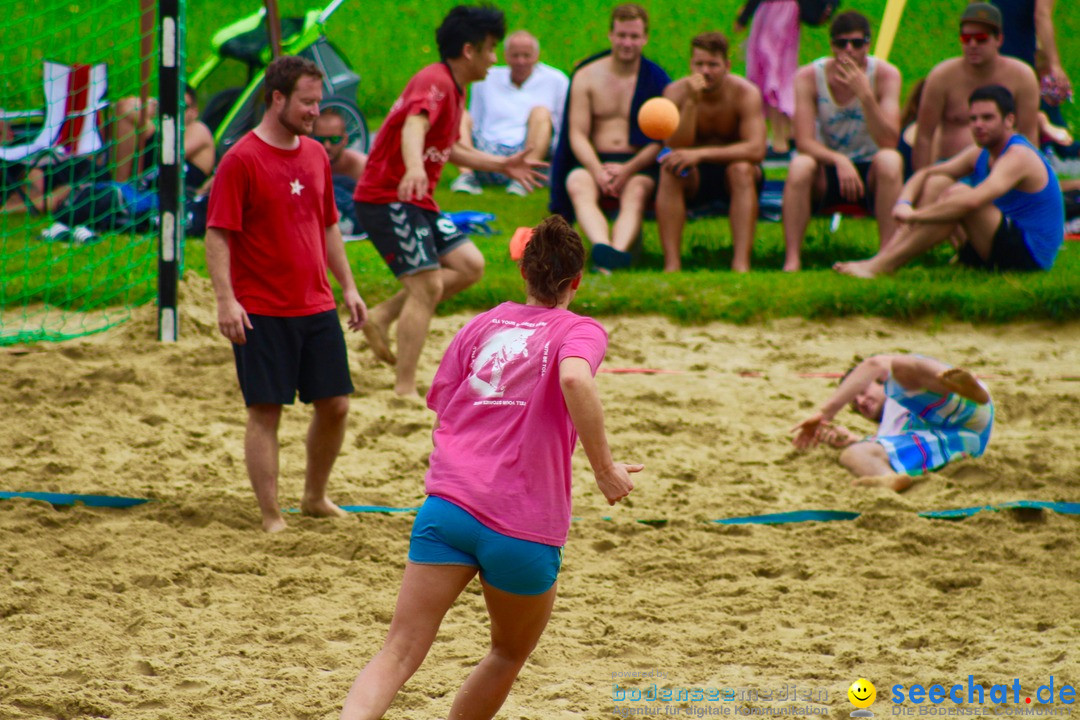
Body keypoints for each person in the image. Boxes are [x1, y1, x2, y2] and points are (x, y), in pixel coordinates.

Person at [338, 215, 641, 720]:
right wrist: (604, 468)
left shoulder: (483, 323)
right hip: (523, 524)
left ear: (524, 274)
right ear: (577, 281)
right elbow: (574, 381)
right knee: (506, 653)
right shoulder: (580, 329)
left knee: (398, 652)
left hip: (450, 506)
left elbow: (446, 401)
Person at [205, 56, 368, 533]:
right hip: (261, 309)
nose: (316, 111)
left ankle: (315, 497)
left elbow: (329, 227)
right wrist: (225, 299)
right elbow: (218, 235)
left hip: (315, 304)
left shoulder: (316, 155)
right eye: (306, 102)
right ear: (277, 99)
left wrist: (350, 288)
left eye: (318, 102)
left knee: (336, 405)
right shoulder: (241, 159)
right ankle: (271, 515)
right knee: (266, 411)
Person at [353, 5, 546, 397]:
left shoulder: (457, 89)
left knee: (470, 265)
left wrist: (502, 165)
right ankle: (404, 389)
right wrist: (413, 168)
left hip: (416, 200)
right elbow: (414, 124)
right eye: (491, 49)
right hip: (388, 198)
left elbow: (452, 148)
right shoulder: (435, 80)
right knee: (426, 287)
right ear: (469, 50)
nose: (496, 59)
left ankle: (383, 315)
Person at [834, 85, 1065, 278]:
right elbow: (926, 173)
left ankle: (882, 266)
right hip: (1001, 243)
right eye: (973, 119)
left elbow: (972, 202)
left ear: (1009, 120)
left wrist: (915, 216)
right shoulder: (981, 152)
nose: (978, 125)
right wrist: (903, 202)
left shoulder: (1018, 155)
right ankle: (882, 259)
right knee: (940, 182)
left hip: (1030, 258)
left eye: (987, 118)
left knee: (959, 196)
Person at [548, 3, 670, 272]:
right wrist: (597, 170)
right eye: (622, 35)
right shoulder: (587, 76)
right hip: (594, 160)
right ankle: (606, 250)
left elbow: (659, 140)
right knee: (578, 183)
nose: (628, 43)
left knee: (636, 191)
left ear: (645, 38)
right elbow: (576, 133)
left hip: (637, 162)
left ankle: (610, 258)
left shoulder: (656, 79)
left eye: (634, 37)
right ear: (611, 35)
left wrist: (628, 169)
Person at [781, 11, 904, 272]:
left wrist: (866, 95)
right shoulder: (808, 77)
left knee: (890, 160)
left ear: (868, 45)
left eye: (857, 43)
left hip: (871, 168)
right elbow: (803, 141)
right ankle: (792, 259)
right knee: (800, 165)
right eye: (841, 43)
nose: (849, 50)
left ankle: (887, 257)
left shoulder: (886, 75)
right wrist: (839, 160)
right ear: (832, 46)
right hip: (828, 167)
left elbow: (890, 140)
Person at [792, 354, 993, 492]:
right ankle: (887, 478)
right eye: (855, 403)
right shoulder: (892, 424)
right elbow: (886, 446)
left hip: (964, 406)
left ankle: (965, 385)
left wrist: (825, 413)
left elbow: (875, 364)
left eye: (862, 392)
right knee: (855, 452)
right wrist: (853, 440)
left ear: (878, 382)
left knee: (900, 368)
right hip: (962, 441)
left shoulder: (895, 394)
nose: (861, 402)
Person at [655, 31, 767, 273]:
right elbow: (675, 145)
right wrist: (692, 103)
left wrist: (701, 154)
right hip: (694, 176)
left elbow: (756, 149)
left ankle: (741, 264)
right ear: (690, 64)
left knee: (741, 170)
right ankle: (672, 265)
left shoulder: (745, 93)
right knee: (669, 170)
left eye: (713, 65)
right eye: (699, 64)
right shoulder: (675, 93)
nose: (705, 71)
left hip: (736, 174)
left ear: (726, 65)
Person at [912, 3, 1040, 171]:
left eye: (981, 39)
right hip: (950, 169)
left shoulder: (1022, 77)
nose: (972, 44)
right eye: (966, 38)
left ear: (999, 39)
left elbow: (1029, 136)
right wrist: (922, 179)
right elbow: (923, 137)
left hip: (1002, 171)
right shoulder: (942, 76)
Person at [449, 30, 569, 197]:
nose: (521, 61)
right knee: (460, 114)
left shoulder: (557, 80)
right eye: (515, 55)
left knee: (541, 112)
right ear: (505, 56)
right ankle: (467, 175)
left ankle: (523, 179)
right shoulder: (486, 78)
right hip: (487, 149)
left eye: (526, 55)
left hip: (528, 150)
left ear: (536, 55)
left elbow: (562, 126)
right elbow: (475, 118)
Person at [734, 0, 799, 158]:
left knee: (771, 74)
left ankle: (779, 141)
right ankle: (789, 133)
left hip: (774, 14)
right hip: (785, 12)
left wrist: (744, 16)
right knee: (782, 72)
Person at [314, 107, 367, 235]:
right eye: (320, 140)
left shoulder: (361, 166)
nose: (327, 146)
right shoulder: (308, 166)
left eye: (334, 140)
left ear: (345, 140)